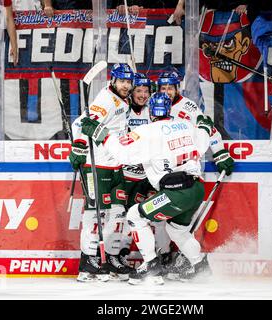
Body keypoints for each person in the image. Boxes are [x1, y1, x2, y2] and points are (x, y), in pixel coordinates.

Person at [81, 92, 218, 285]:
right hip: (196, 189)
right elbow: (203, 140)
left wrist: (100, 134)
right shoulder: (187, 126)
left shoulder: (147, 131)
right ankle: (201, 266)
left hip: (175, 192)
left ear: (151, 111)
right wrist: (204, 124)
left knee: (134, 216)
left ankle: (151, 266)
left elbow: (123, 153)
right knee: (177, 231)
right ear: (169, 109)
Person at [156, 70, 233, 279]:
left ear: (177, 88)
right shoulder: (152, 105)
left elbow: (209, 129)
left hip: (185, 175)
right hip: (163, 174)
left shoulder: (188, 107)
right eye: (163, 88)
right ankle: (167, 258)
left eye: (170, 88)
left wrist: (220, 153)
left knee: (170, 223)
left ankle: (184, 261)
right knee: (163, 224)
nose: (166, 92)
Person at [70, 63, 134, 282]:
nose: (126, 85)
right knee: (94, 214)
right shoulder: (106, 99)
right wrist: (78, 148)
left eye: (128, 81)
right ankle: (88, 262)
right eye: (122, 81)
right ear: (113, 81)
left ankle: (111, 258)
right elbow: (84, 123)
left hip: (115, 165)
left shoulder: (123, 101)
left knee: (118, 213)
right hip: (96, 166)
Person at [119, 72, 173, 269]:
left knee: (157, 218)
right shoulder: (123, 110)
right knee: (126, 217)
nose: (142, 95)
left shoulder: (156, 112)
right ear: (131, 92)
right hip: (127, 175)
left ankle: (164, 255)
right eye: (138, 90)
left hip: (151, 176)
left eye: (146, 91)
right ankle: (121, 254)